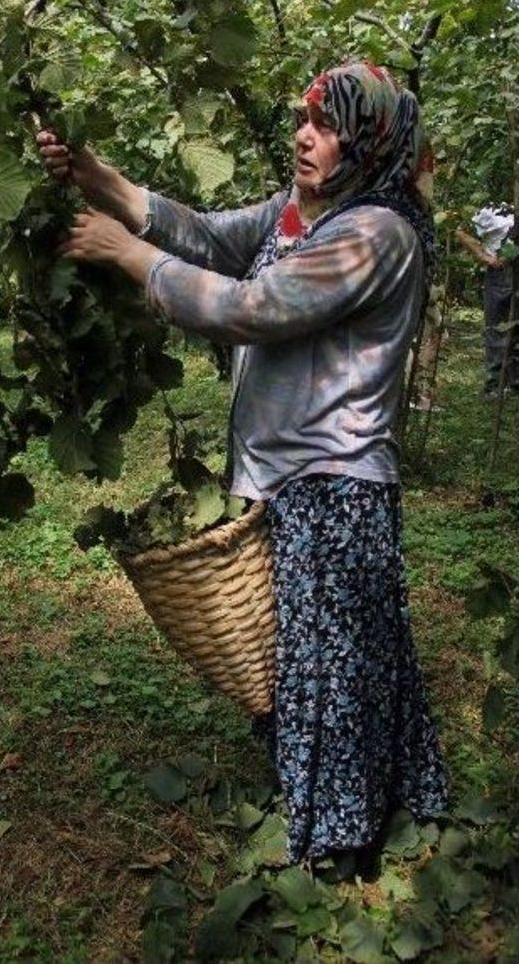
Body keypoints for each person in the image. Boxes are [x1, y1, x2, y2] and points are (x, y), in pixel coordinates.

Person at [37, 62, 448, 864]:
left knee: (335, 664)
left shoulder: (375, 234)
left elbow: (247, 308)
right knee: (315, 658)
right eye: (304, 117)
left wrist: (128, 256)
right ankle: (352, 801)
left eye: (327, 126)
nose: (304, 135)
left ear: (369, 142)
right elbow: (211, 235)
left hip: (336, 485)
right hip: (290, 478)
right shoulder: (307, 213)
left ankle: (340, 842)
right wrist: (103, 180)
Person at [455, 204, 518, 397]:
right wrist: (484, 255)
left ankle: (513, 383)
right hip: (502, 271)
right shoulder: (495, 209)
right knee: (496, 327)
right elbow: (459, 230)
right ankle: (496, 385)